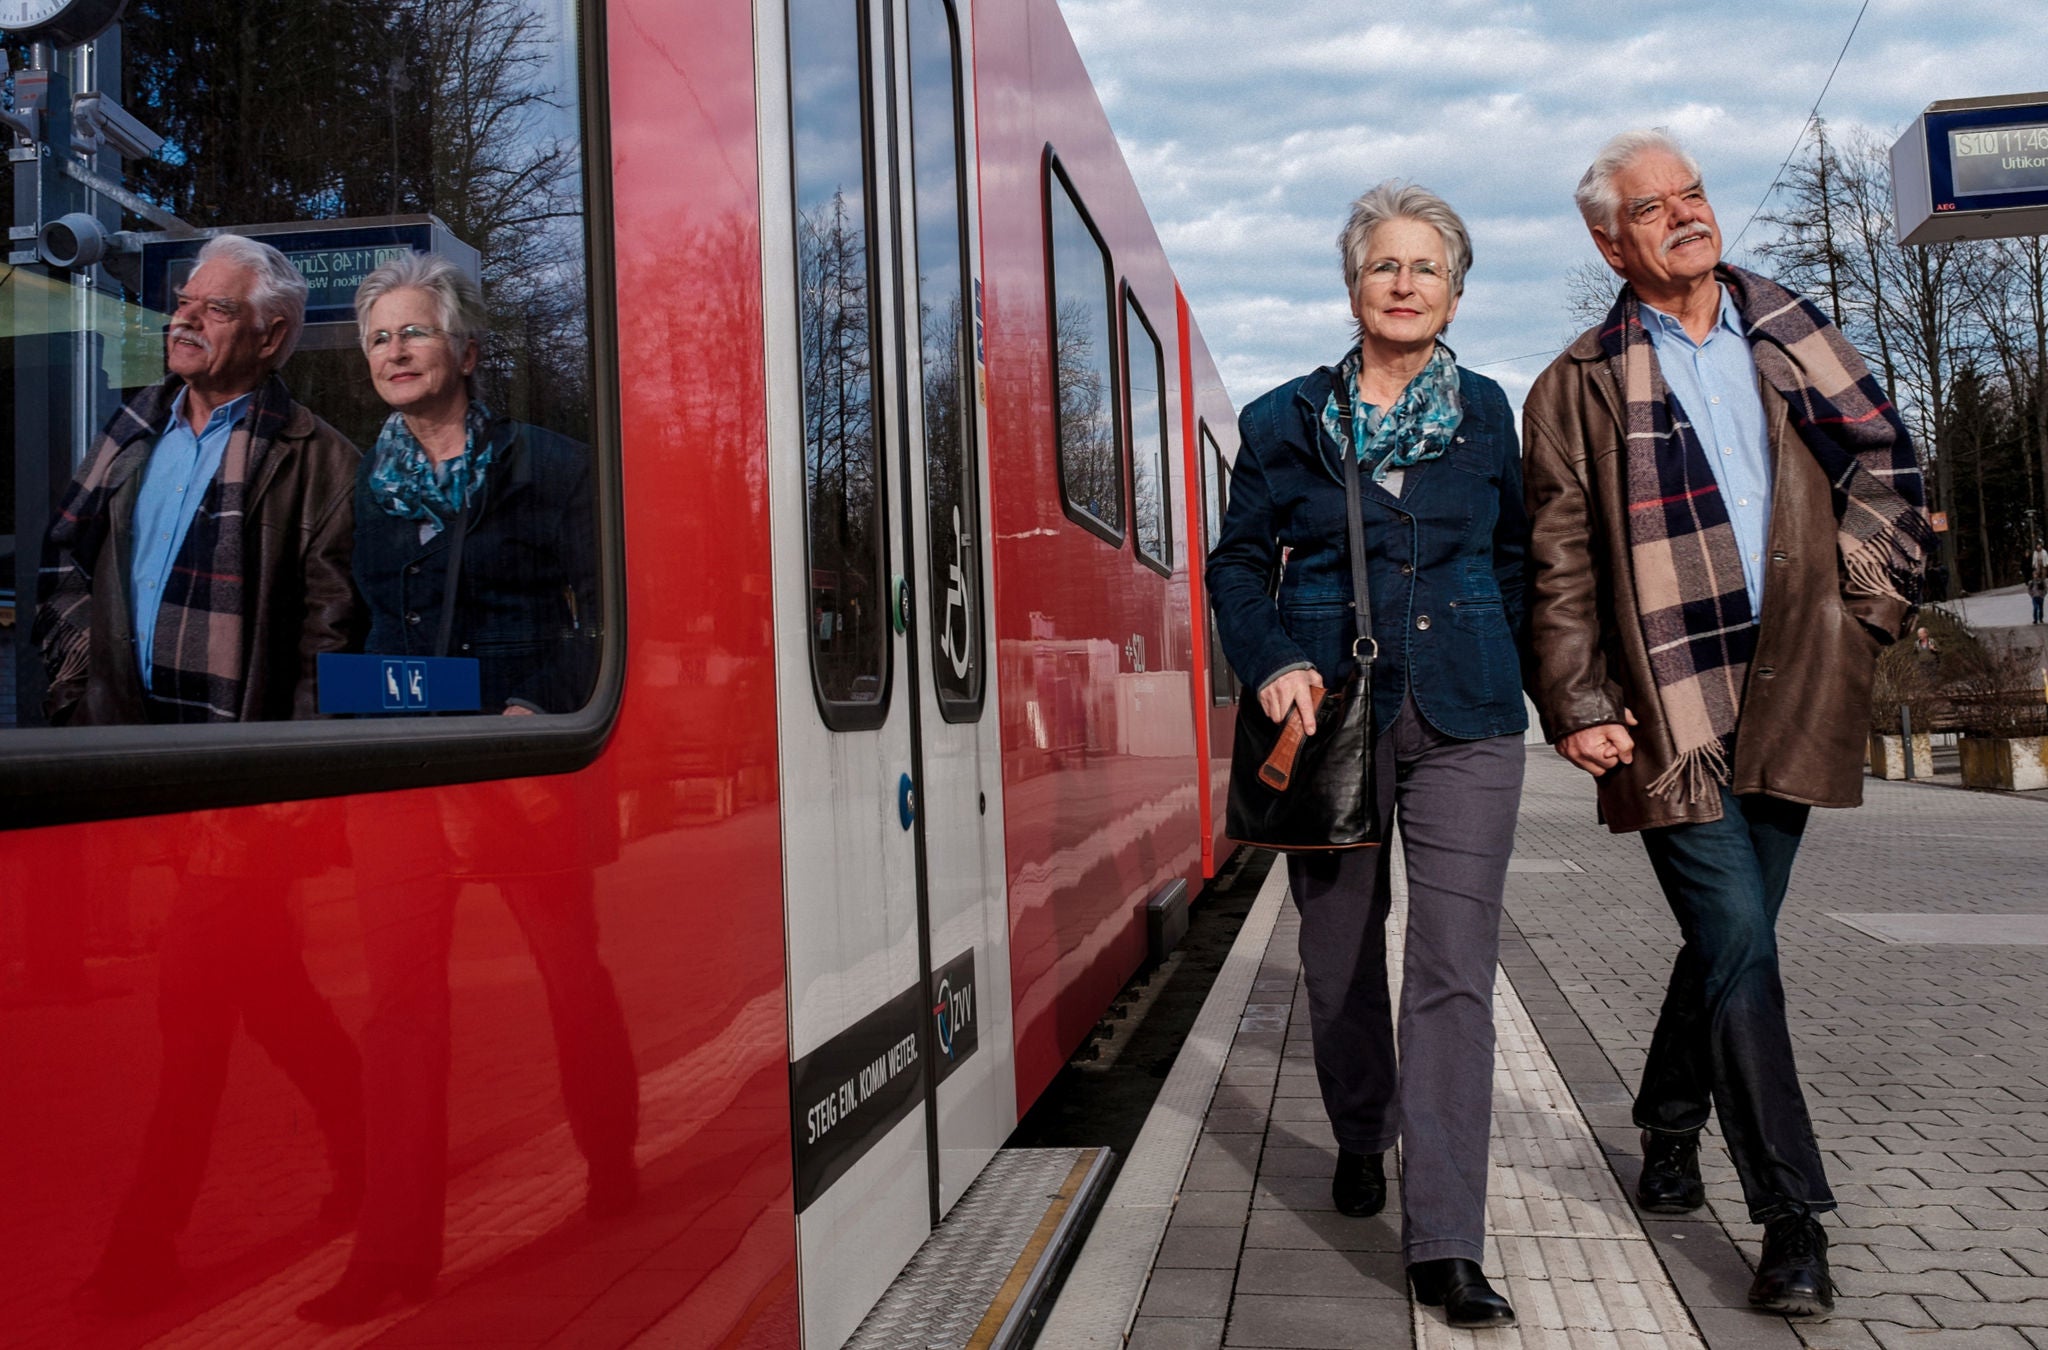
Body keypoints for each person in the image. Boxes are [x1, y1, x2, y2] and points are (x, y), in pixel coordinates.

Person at [1522, 129, 1931, 1320]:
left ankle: (1663, 1124)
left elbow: (1886, 462)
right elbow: (1552, 560)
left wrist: (1870, 606)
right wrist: (1577, 703)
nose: (1683, 215)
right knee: (1742, 944)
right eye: (1651, 208)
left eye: (1690, 194)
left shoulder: (1792, 328)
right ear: (1610, 241)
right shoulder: (1575, 384)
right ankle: (1789, 1217)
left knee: (1727, 942)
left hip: (1794, 680)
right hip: (1665, 706)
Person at [1209, 181, 1529, 1330]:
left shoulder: (1489, 413)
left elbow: (1518, 562)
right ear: (1352, 288)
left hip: (1468, 716)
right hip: (1328, 716)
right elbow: (1236, 568)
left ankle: (1443, 1239)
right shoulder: (1282, 420)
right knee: (1338, 956)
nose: (1404, 284)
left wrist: (1563, 695)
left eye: (1425, 267)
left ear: (1454, 289)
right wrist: (1268, 659)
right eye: (1383, 266)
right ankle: (1358, 1130)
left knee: (1449, 970)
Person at [299, 252, 631, 1324]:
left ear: (467, 353)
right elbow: (347, 630)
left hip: (522, 770)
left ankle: (612, 1159)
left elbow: (610, 619)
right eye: (379, 338)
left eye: (413, 332)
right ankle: (392, 1255)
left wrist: (547, 706)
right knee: (401, 1012)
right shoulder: (361, 491)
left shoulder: (552, 467)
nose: (393, 351)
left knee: (568, 973)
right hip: (401, 780)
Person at [39, 233, 367, 1313]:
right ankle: (373, 1151)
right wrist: (79, 671)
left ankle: (140, 1256)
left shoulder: (313, 454)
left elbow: (327, 636)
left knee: (191, 1017)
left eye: (212, 310)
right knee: (271, 1002)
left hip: (234, 782)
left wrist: (280, 792)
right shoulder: (130, 424)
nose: (184, 321)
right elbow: (64, 560)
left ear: (270, 335)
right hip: (129, 755)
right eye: (184, 304)